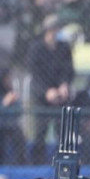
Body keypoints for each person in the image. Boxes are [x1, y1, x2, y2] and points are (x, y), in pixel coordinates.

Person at [26, 16, 75, 164]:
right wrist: (46, 91)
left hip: (60, 97)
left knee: (63, 132)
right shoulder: (36, 49)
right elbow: (35, 74)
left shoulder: (64, 48)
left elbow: (68, 70)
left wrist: (64, 85)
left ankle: (63, 163)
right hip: (41, 98)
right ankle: (37, 164)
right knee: (39, 133)